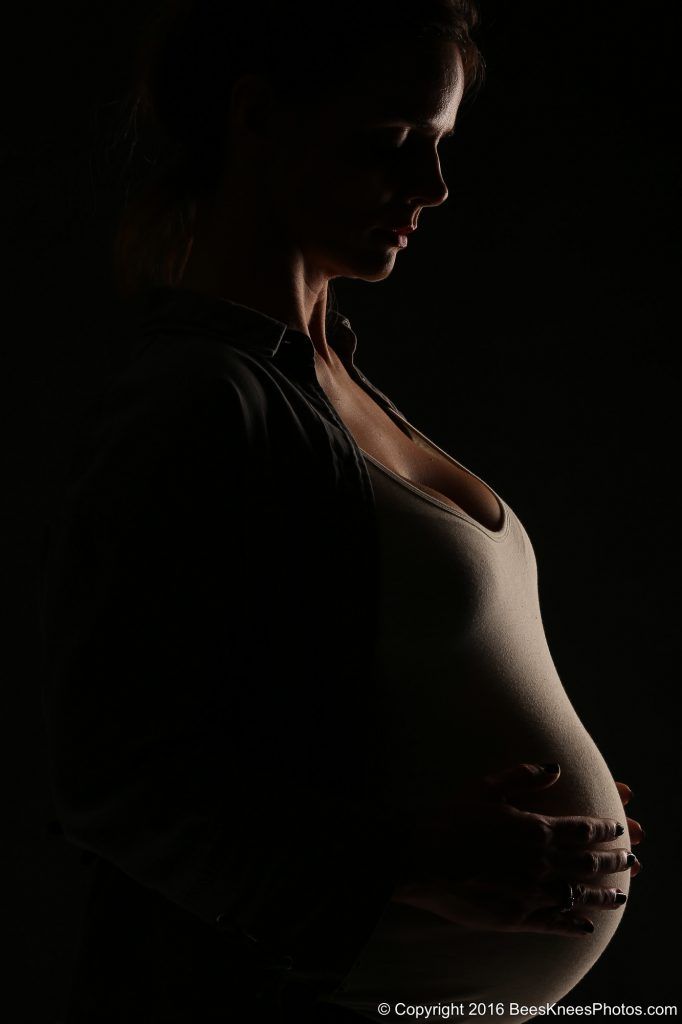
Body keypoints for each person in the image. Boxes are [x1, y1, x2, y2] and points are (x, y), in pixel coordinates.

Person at [38, 2, 645, 1022]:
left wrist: (548, 813)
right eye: (391, 144)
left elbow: (338, 700)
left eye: (441, 147)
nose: (432, 188)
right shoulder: (200, 400)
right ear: (258, 118)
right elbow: (111, 781)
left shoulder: (341, 382)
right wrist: (418, 861)